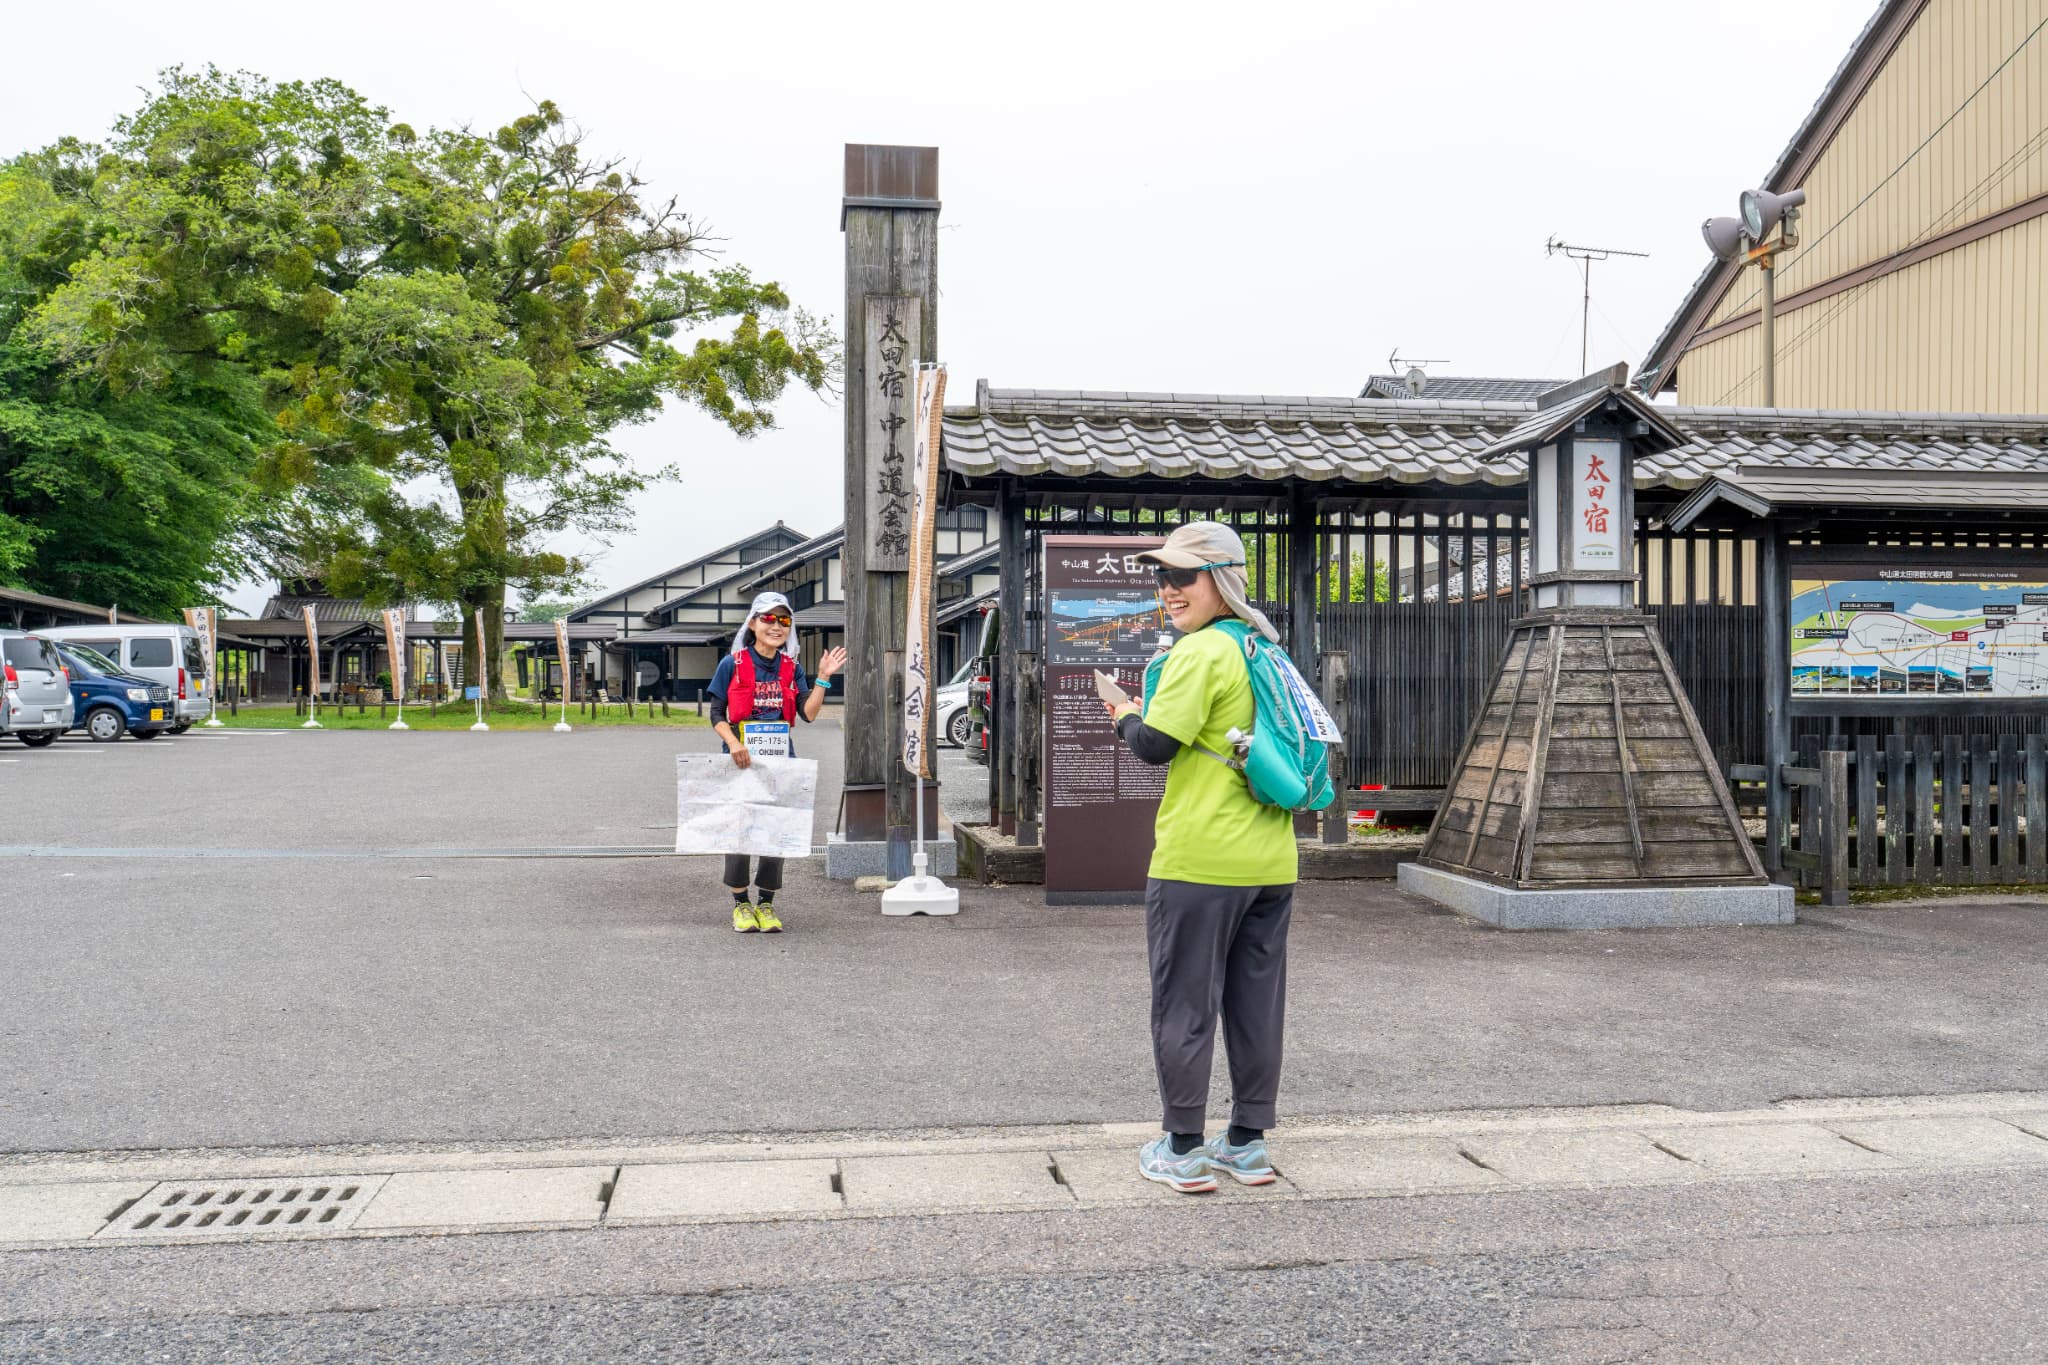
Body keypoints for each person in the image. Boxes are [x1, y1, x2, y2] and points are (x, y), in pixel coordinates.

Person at [1103, 522, 1299, 1194]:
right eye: (1162, 576)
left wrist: (1123, 710)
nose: (1168, 588)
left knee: (1185, 1001)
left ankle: (1183, 1146)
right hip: (1272, 857)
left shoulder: (1200, 652)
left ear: (1220, 578)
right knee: (1255, 1004)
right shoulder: (1265, 647)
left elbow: (1155, 743)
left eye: (1182, 576)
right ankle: (1247, 1143)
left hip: (1200, 860)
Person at [707, 592, 847, 933]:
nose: (776, 626)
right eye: (768, 618)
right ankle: (741, 904)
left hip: (781, 761)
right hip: (741, 760)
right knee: (740, 829)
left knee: (777, 829)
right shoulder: (733, 664)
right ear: (752, 623)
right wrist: (734, 743)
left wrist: (824, 677)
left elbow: (808, 713)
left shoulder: (791, 667)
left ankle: (766, 904)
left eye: (784, 620)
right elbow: (716, 714)